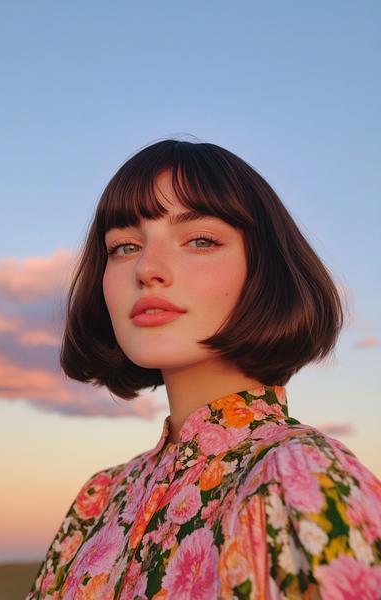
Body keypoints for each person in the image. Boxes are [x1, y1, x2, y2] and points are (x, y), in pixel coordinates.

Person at [27, 139, 381, 599]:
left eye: (200, 240)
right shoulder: (100, 500)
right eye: (124, 246)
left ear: (265, 273)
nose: (147, 268)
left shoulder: (300, 476)